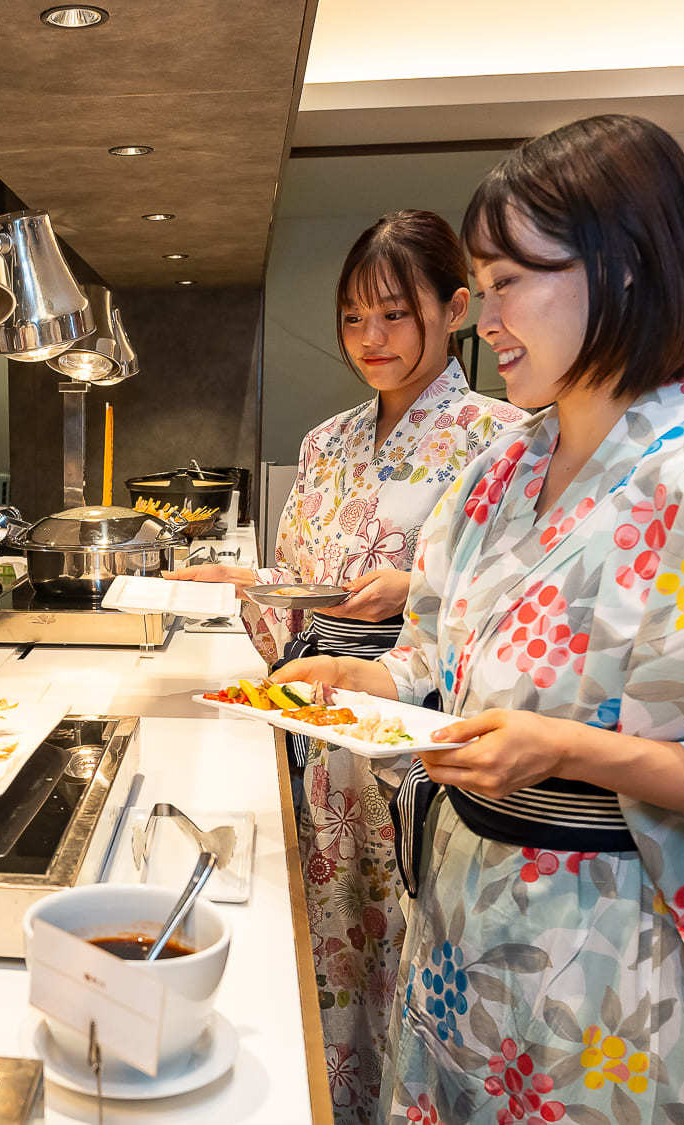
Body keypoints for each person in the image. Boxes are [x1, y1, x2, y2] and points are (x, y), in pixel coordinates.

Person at [276, 114, 684, 1123]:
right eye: (479, 289)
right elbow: (434, 656)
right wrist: (366, 683)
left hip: (608, 965)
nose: (483, 318)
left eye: (506, 283)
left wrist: (581, 753)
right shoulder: (497, 474)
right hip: (447, 925)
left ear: (620, 269)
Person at [180, 211, 528, 1122]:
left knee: (405, 953)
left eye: (393, 316)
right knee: (319, 946)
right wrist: (242, 581)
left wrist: (415, 583)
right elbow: (303, 585)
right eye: (351, 319)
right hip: (314, 723)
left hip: (411, 744)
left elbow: (515, 601)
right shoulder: (327, 442)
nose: (369, 341)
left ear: (454, 310)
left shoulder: (505, 440)